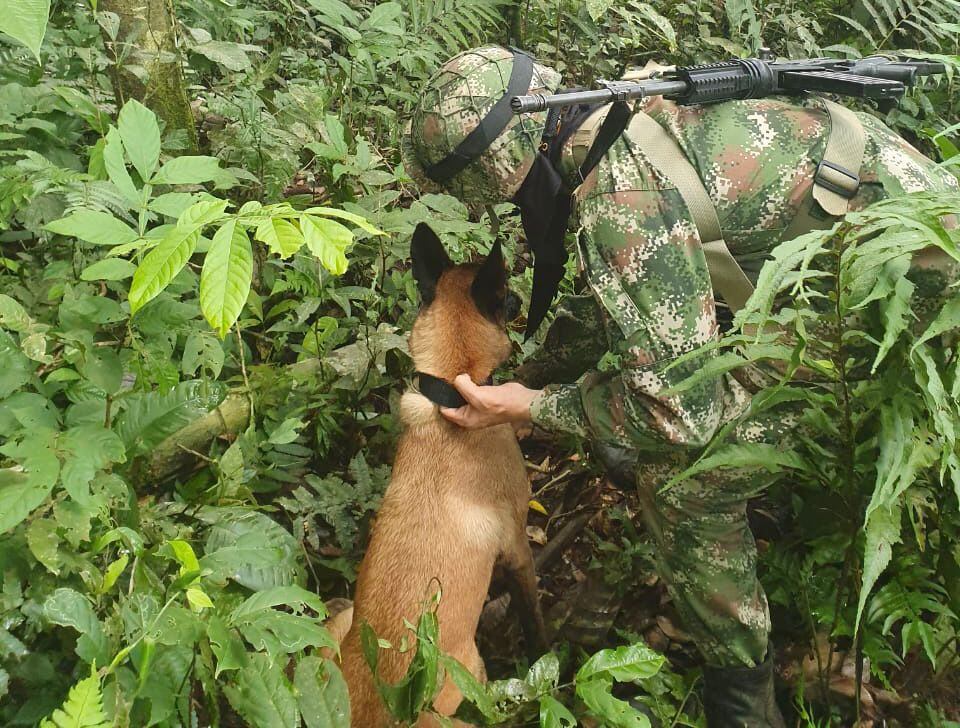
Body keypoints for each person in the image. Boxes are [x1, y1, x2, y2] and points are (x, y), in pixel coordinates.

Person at [400, 45, 959, 726]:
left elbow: (677, 414)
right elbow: (626, 306)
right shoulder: (615, 113)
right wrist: (532, 372)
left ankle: (743, 697)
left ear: (499, 172)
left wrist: (538, 406)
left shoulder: (620, 202)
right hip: (895, 231)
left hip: (913, 296)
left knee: (682, 482)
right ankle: (786, 498)